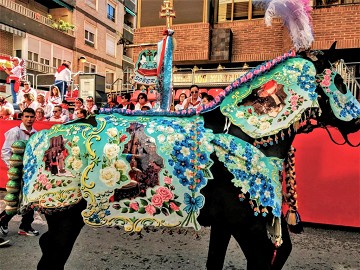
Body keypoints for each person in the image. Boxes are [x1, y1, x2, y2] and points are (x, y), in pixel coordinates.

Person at [0, 108, 39, 242]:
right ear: (21, 118)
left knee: (31, 198)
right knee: (15, 199)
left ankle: (25, 226)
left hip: (30, 172)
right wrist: (14, 168)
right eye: (27, 116)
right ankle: (2, 221)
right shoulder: (15, 132)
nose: (29, 119)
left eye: (32, 117)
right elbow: (5, 151)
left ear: (35, 118)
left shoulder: (36, 134)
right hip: (18, 172)